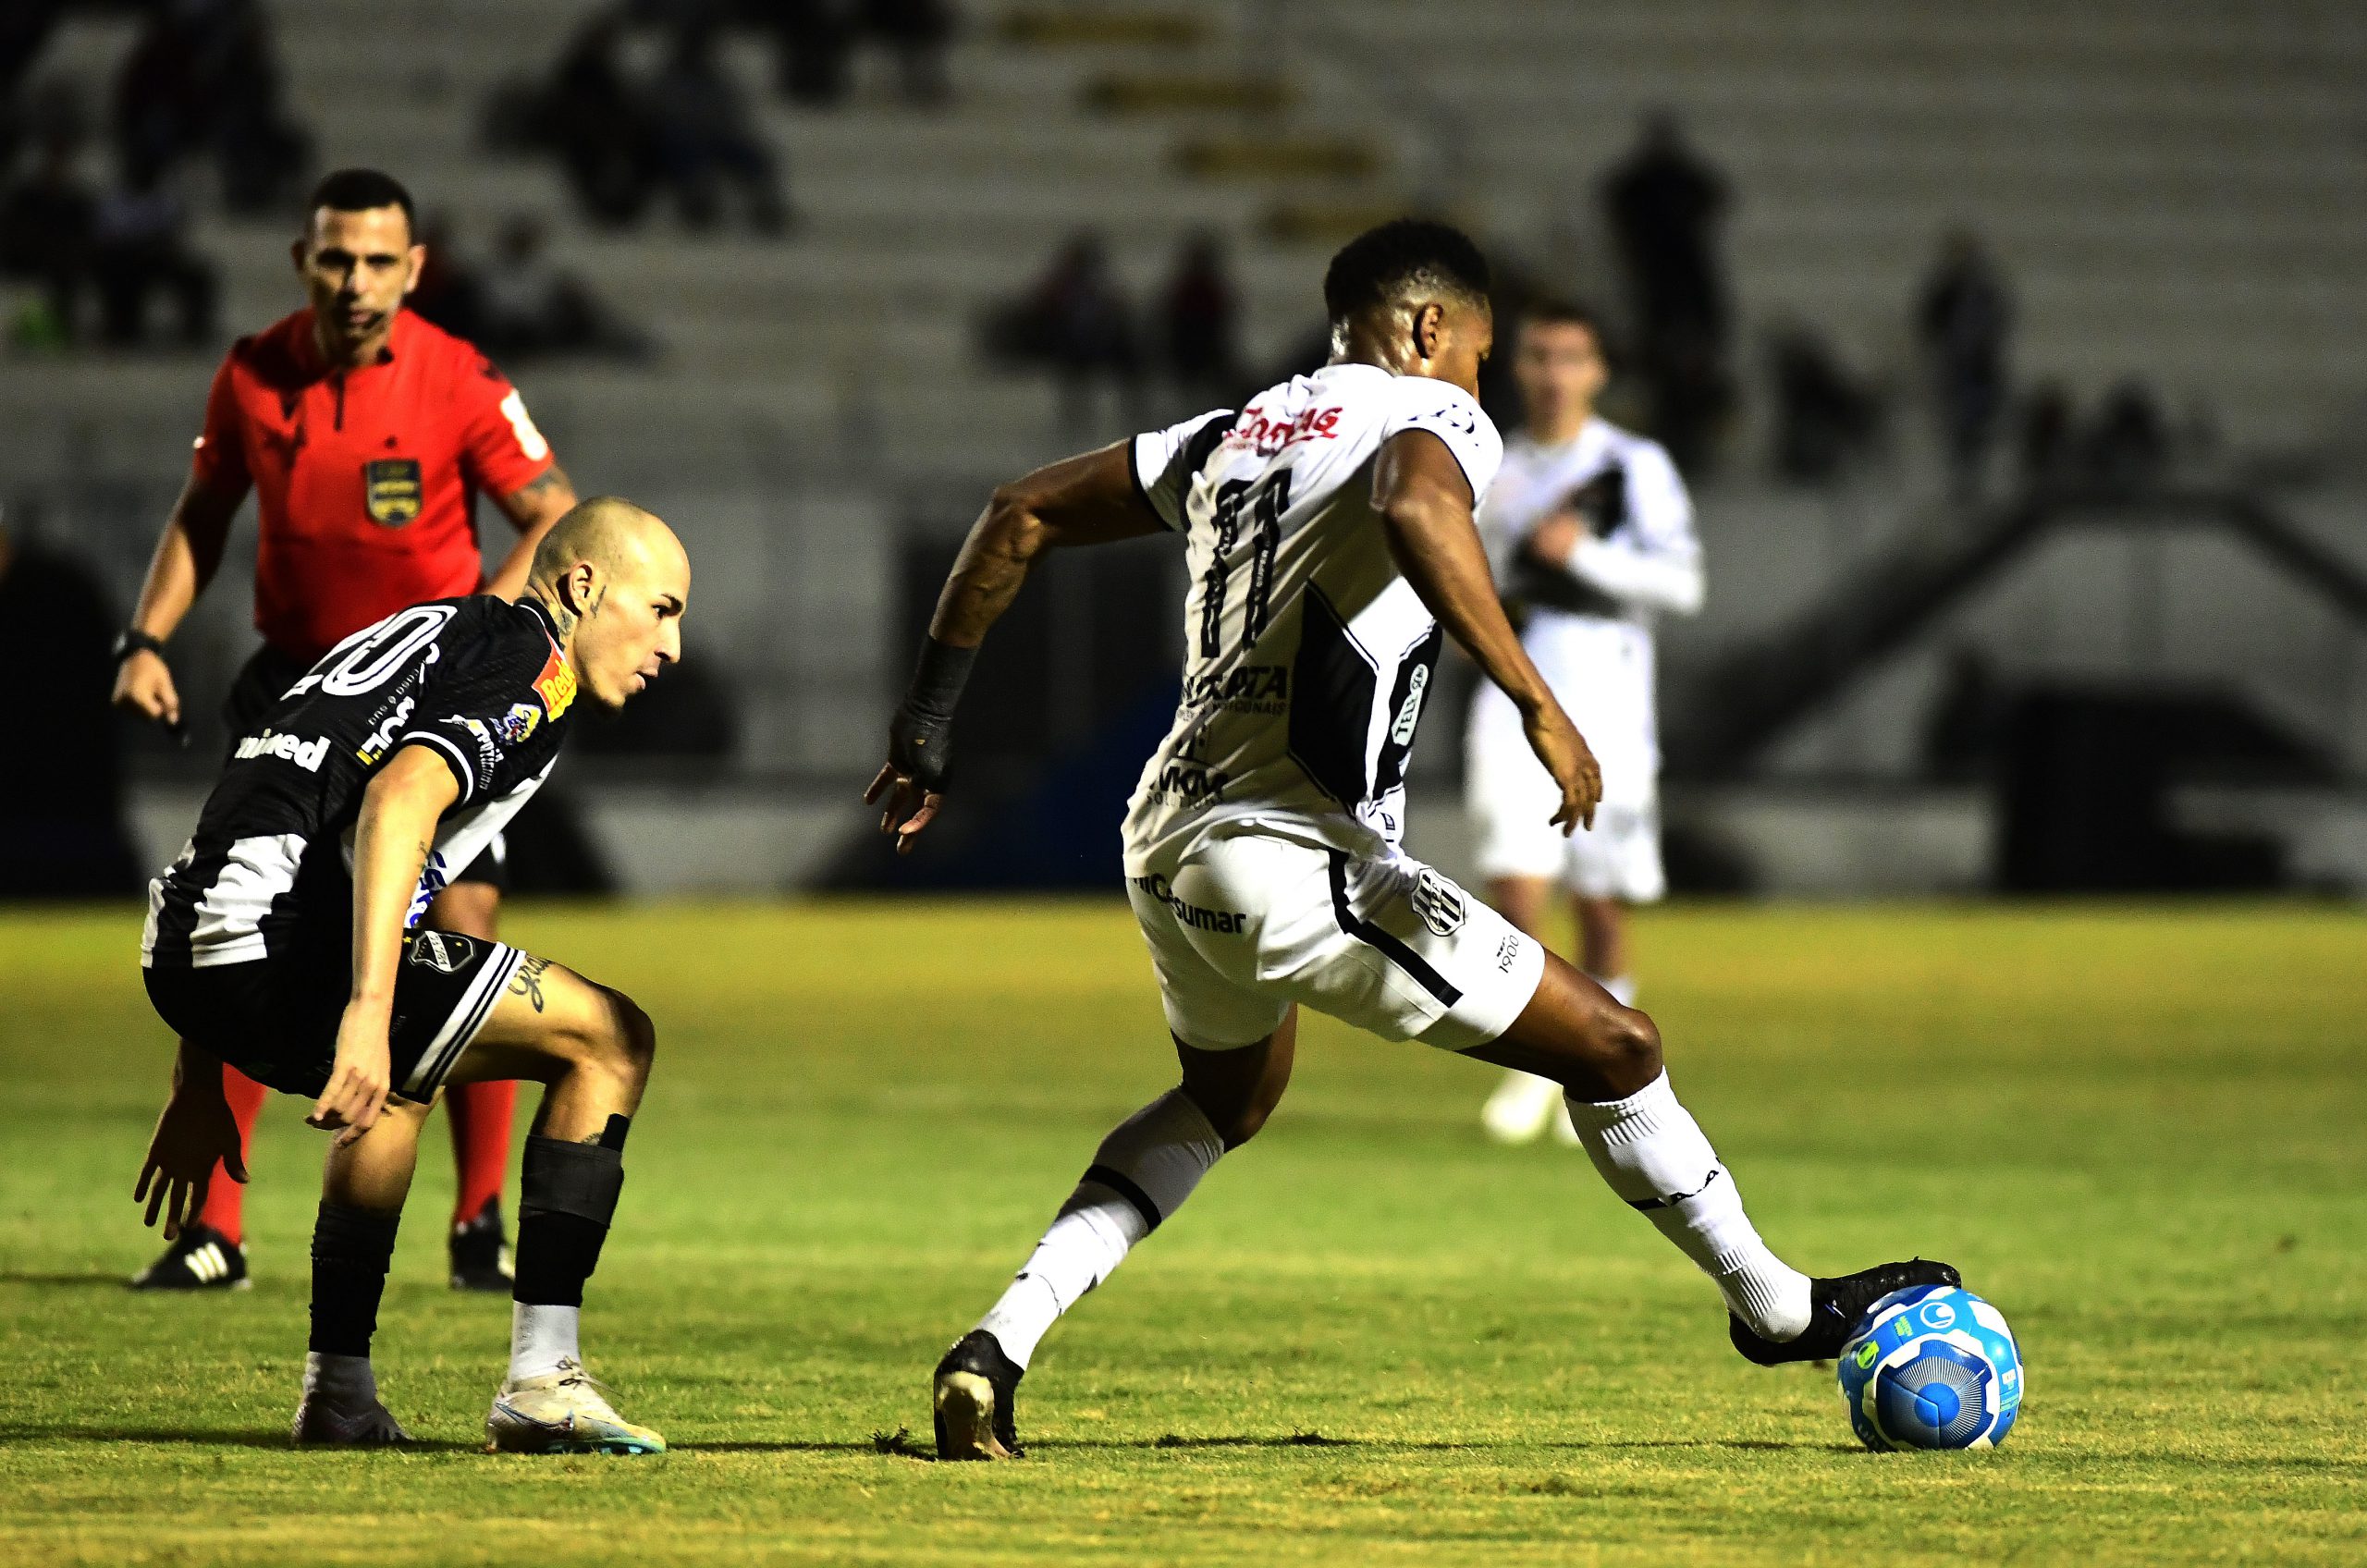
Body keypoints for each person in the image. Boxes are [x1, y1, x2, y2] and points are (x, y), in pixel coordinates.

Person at [867, 219, 1957, 1460]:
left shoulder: (1232, 432)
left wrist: (927, 725)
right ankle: (1776, 1308)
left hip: (1166, 836)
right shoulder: (1429, 416)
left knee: (1227, 1098)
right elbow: (1410, 496)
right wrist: (1538, 700)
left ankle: (992, 1351)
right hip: (1295, 853)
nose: (1480, 385)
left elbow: (1017, 514)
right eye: (1482, 357)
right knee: (1617, 1044)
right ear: (1433, 332)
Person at [110, 169, 583, 1294]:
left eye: (379, 260)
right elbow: (201, 517)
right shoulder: (251, 375)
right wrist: (144, 640)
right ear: (302, 261)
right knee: (242, 921)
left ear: (414, 268)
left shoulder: (459, 378)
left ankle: (476, 1223)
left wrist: (490, 633)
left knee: (459, 916)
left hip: (420, 707)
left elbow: (555, 512)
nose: (356, 280)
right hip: (292, 696)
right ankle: (215, 1231)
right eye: (336, 258)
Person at [135, 498, 688, 1452]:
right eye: (664, 608)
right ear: (584, 585)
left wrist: (201, 1064)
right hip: (273, 939)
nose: (671, 646)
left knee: (406, 1075)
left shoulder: (431, 631)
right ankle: (543, 1377)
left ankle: (339, 1392)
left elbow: (270, 799)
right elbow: (397, 798)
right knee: (611, 1038)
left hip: (186, 942)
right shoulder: (528, 665)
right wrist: (364, 1004)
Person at [1464, 300, 1703, 1145]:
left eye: (1570, 357)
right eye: (1537, 356)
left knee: (1599, 898)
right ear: (1516, 367)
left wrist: (1586, 556)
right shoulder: (1491, 462)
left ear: (1597, 371)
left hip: (1606, 697)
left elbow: (1684, 586)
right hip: (1513, 688)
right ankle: (1539, 1067)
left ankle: (1615, 1068)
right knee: (1515, 886)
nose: (1553, 373)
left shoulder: (1632, 467)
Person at [1600, 111, 1734, 474]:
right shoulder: (1657, 268)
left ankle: (1690, 447)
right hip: (1661, 299)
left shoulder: (1690, 269)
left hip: (1679, 299)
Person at [1915, 230, 2013, 500]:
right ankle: (1961, 482)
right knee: (1958, 430)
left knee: (1979, 429)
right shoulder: (1946, 293)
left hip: (1979, 372)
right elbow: (1930, 324)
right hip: (1956, 370)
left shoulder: (1984, 293)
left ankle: (1976, 482)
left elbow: (1997, 326)